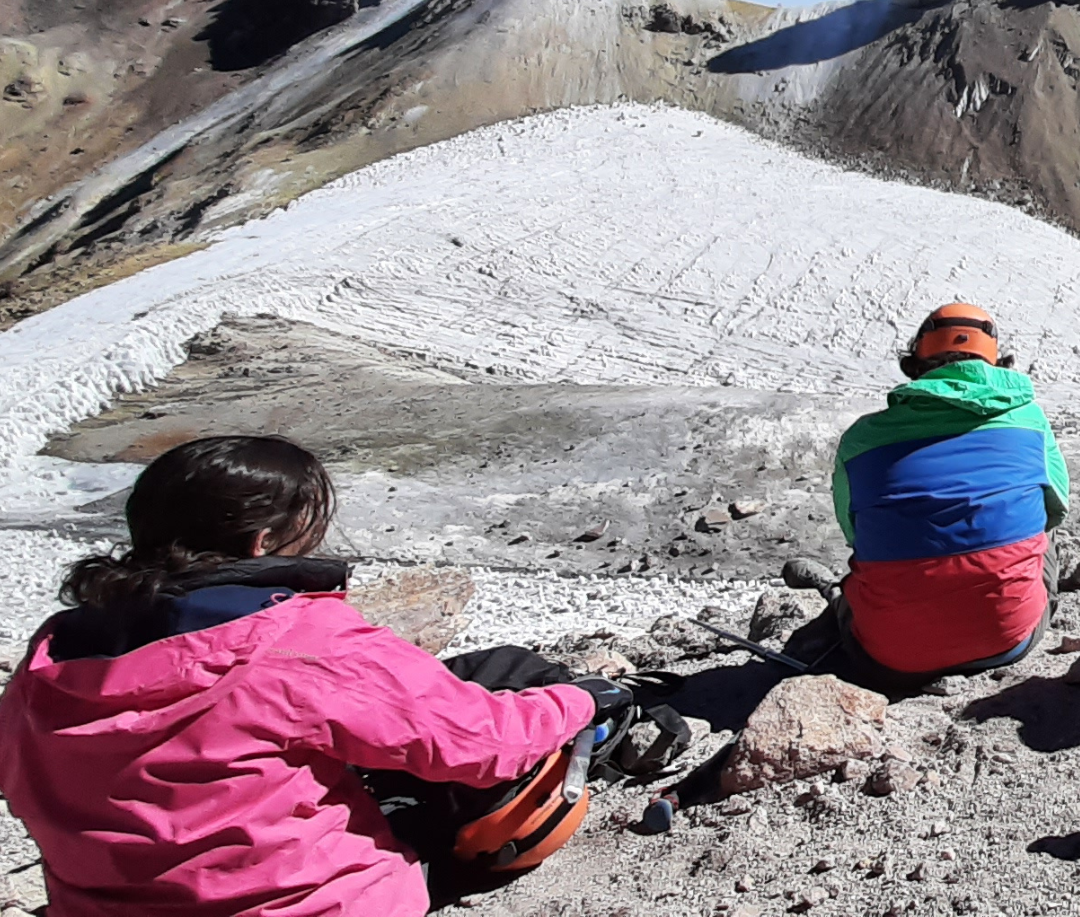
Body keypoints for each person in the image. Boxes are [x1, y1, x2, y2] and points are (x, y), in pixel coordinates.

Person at [0, 435, 628, 917]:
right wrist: (576, 700)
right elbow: (480, 744)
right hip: (304, 902)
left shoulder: (55, 650)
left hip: (100, 905)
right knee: (513, 729)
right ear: (264, 541)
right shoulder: (294, 639)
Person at [784, 304, 1069, 690]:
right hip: (1008, 641)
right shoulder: (1030, 422)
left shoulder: (860, 439)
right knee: (1044, 530)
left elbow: (855, 532)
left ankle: (838, 600)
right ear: (998, 363)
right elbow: (1056, 510)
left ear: (915, 364)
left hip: (889, 658)